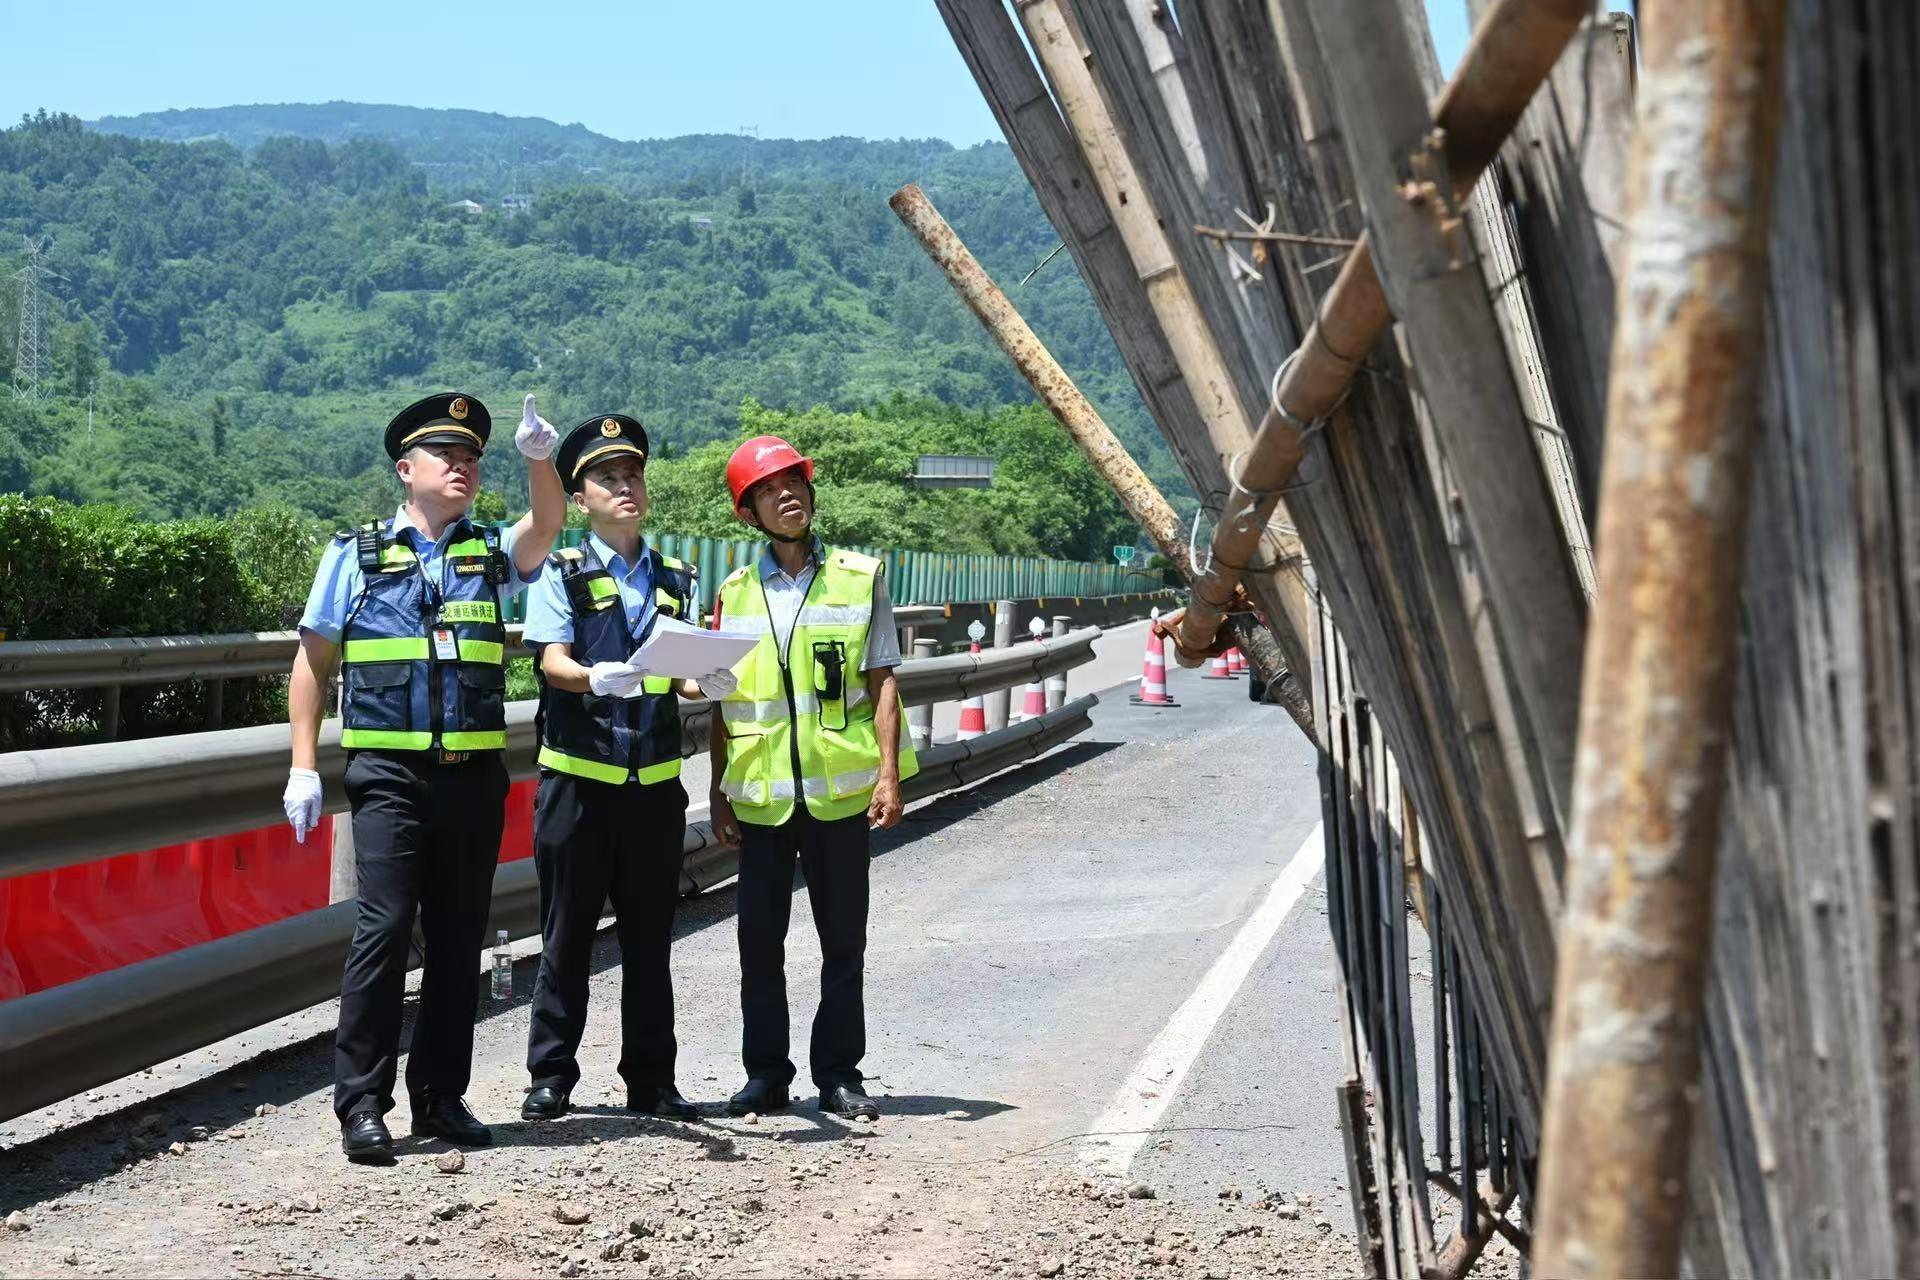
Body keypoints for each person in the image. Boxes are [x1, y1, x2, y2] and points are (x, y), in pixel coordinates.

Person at [281, 391, 565, 1164]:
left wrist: (540, 460)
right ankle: (361, 1104)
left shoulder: (488, 553)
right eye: (447, 455)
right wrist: (303, 765)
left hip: (472, 776)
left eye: (473, 457)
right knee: (383, 930)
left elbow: (545, 528)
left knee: (458, 939)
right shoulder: (356, 554)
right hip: (389, 774)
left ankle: (440, 1097)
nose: (463, 466)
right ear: (407, 470)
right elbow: (311, 665)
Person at [517, 414, 739, 1122]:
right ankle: (551, 1076)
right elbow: (552, 662)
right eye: (608, 478)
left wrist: (708, 681)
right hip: (578, 783)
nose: (625, 487)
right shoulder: (561, 571)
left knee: (649, 941)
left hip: (653, 790)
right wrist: (593, 677)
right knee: (566, 936)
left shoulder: (676, 575)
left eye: (634, 475)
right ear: (580, 498)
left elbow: (682, 677)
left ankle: (652, 1080)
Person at [707, 434, 917, 1121]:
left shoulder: (860, 576)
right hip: (761, 796)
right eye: (769, 491)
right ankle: (766, 1075)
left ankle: (839, 1074)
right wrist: (718, 790)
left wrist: (888, 776)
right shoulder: (733, 593)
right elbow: (723, 701)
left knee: (843, 942)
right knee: (759, 946)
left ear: (810, 491)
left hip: (838, 793)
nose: (787, 496)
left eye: (794, 483)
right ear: (749, 514)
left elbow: (883, 681)